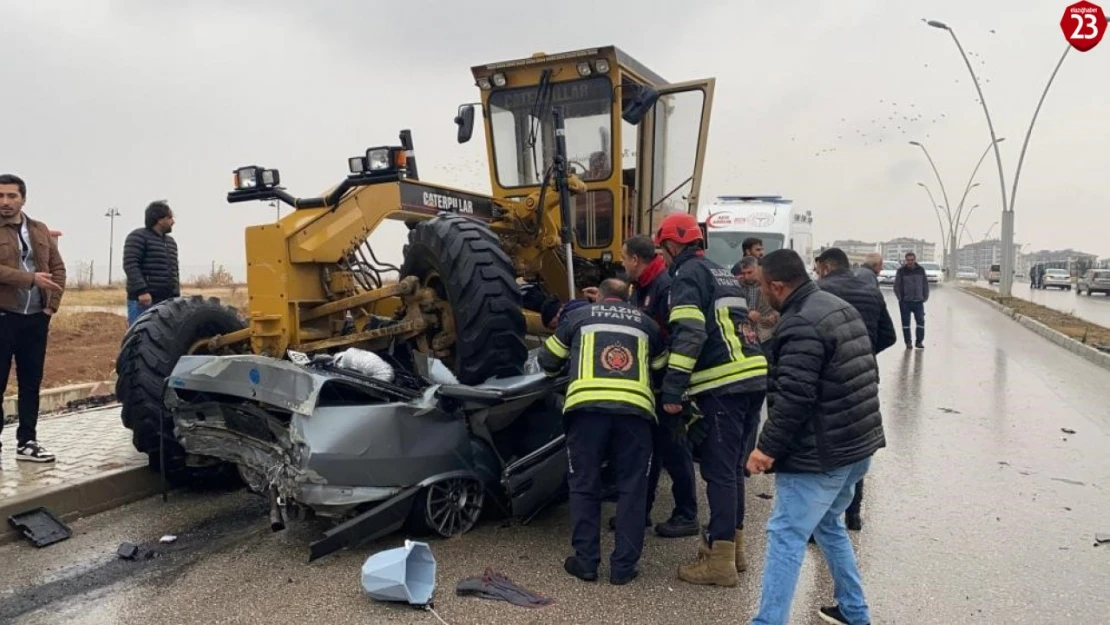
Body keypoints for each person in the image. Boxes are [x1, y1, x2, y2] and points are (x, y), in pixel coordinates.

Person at [747, 249, 886, 625]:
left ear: (777, 285)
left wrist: (765, 448)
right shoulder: (835, 306)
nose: (761, 293)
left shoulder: (801, 324)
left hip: (821, 453)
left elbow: (795, 397)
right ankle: (855, 613)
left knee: (785, 535)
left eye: (762, 286)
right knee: (827, 524)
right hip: (858, 446)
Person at [653, 212, 769, 587]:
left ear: (672, 245)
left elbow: (689, 333)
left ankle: (720, 564)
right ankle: (734, 551)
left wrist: (672, 389)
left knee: (718, 472)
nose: (664, 258)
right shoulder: (721, 271)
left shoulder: (685, 275)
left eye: (663, 250)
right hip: (752, 378)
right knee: (734, 469)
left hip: (724, 385)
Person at [538, 278, 668, 585]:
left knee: (584, 486)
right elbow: (662, 368)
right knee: (632, 488)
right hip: (635, 415)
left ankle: (586, 562)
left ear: (601, 297)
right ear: (627, 299)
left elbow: (547, 361)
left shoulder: (578, 317)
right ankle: (623, 567)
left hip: (587, 413)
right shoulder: (647, 324)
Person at [608, 234, 699, 538]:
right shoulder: (643, 286)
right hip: (651, 383)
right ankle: (639, 512)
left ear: (635, 259)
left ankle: (687, 514)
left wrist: (672, 387)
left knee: (675, 451)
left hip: (667, 384)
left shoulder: (665, 286)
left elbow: (676, 337)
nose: (622, 263)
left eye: (624, 258)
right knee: (648, 452)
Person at [814, 247, 897, 533]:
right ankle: (854, 514)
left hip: (828, 378)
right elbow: (890, 335)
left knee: (826, 445)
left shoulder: (819, 291)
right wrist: (865, 350)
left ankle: (823, 519)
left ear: (825, 266)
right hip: (865, 374)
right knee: (857, 444)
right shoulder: (871, 292)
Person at [0, 173, 66, 463]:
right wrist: (29, 279)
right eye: (0, 196)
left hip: (35, 319)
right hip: (4, 317)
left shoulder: (39, 230)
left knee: (30, 383)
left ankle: (27, 442)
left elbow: (58, 269)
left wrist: (50, 308)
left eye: (11, 196)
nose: (5, 202)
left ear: (23, 198)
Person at [122, 200, 180, 326]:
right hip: (143, 301)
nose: (173, 222)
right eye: (169, 217)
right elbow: (130, 264)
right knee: (140, 338)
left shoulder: (171, 242)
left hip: (167, 301)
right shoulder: (138, 237)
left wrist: (176, 295)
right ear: (159, 219)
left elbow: (174, 270)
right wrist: (142, 291)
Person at [735, 256, 778, 344]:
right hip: (744, 334)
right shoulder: (736, 287)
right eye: (743, 273)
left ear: (758, 269)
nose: (746, 276)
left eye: (750, 272)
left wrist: (774, 316)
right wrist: (747, 313)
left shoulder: (770, 284)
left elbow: (781, 305)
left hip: (767, 334)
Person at [893, 251, 928, 349]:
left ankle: (919, 342)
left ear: (915, 260)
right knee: (906, 323)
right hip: (905, 303)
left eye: (912, 260)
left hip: (918, 302)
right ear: (905, 260)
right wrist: (901, 299)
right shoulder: (901, 271)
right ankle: (908, 342)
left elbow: (925, 284)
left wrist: (925, 296)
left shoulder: (921, 270)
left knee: (921, 321)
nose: (910, 262)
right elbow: (896, 286)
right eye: (908, 260)